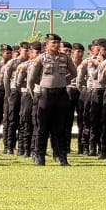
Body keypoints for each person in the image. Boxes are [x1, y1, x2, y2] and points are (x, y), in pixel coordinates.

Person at [26, 33, 77, 166]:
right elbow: (31, 80)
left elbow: (74, 73)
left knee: (60, 128)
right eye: (52, 43)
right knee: (43, 128)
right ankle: (40, 156)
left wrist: (62, 82)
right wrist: (41, 86)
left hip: (61, 95)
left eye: (57, 43)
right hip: (45, 95)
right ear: (47, 45)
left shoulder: (65, 58)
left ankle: (62, 157)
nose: (55, 45)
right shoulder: (41, 59)